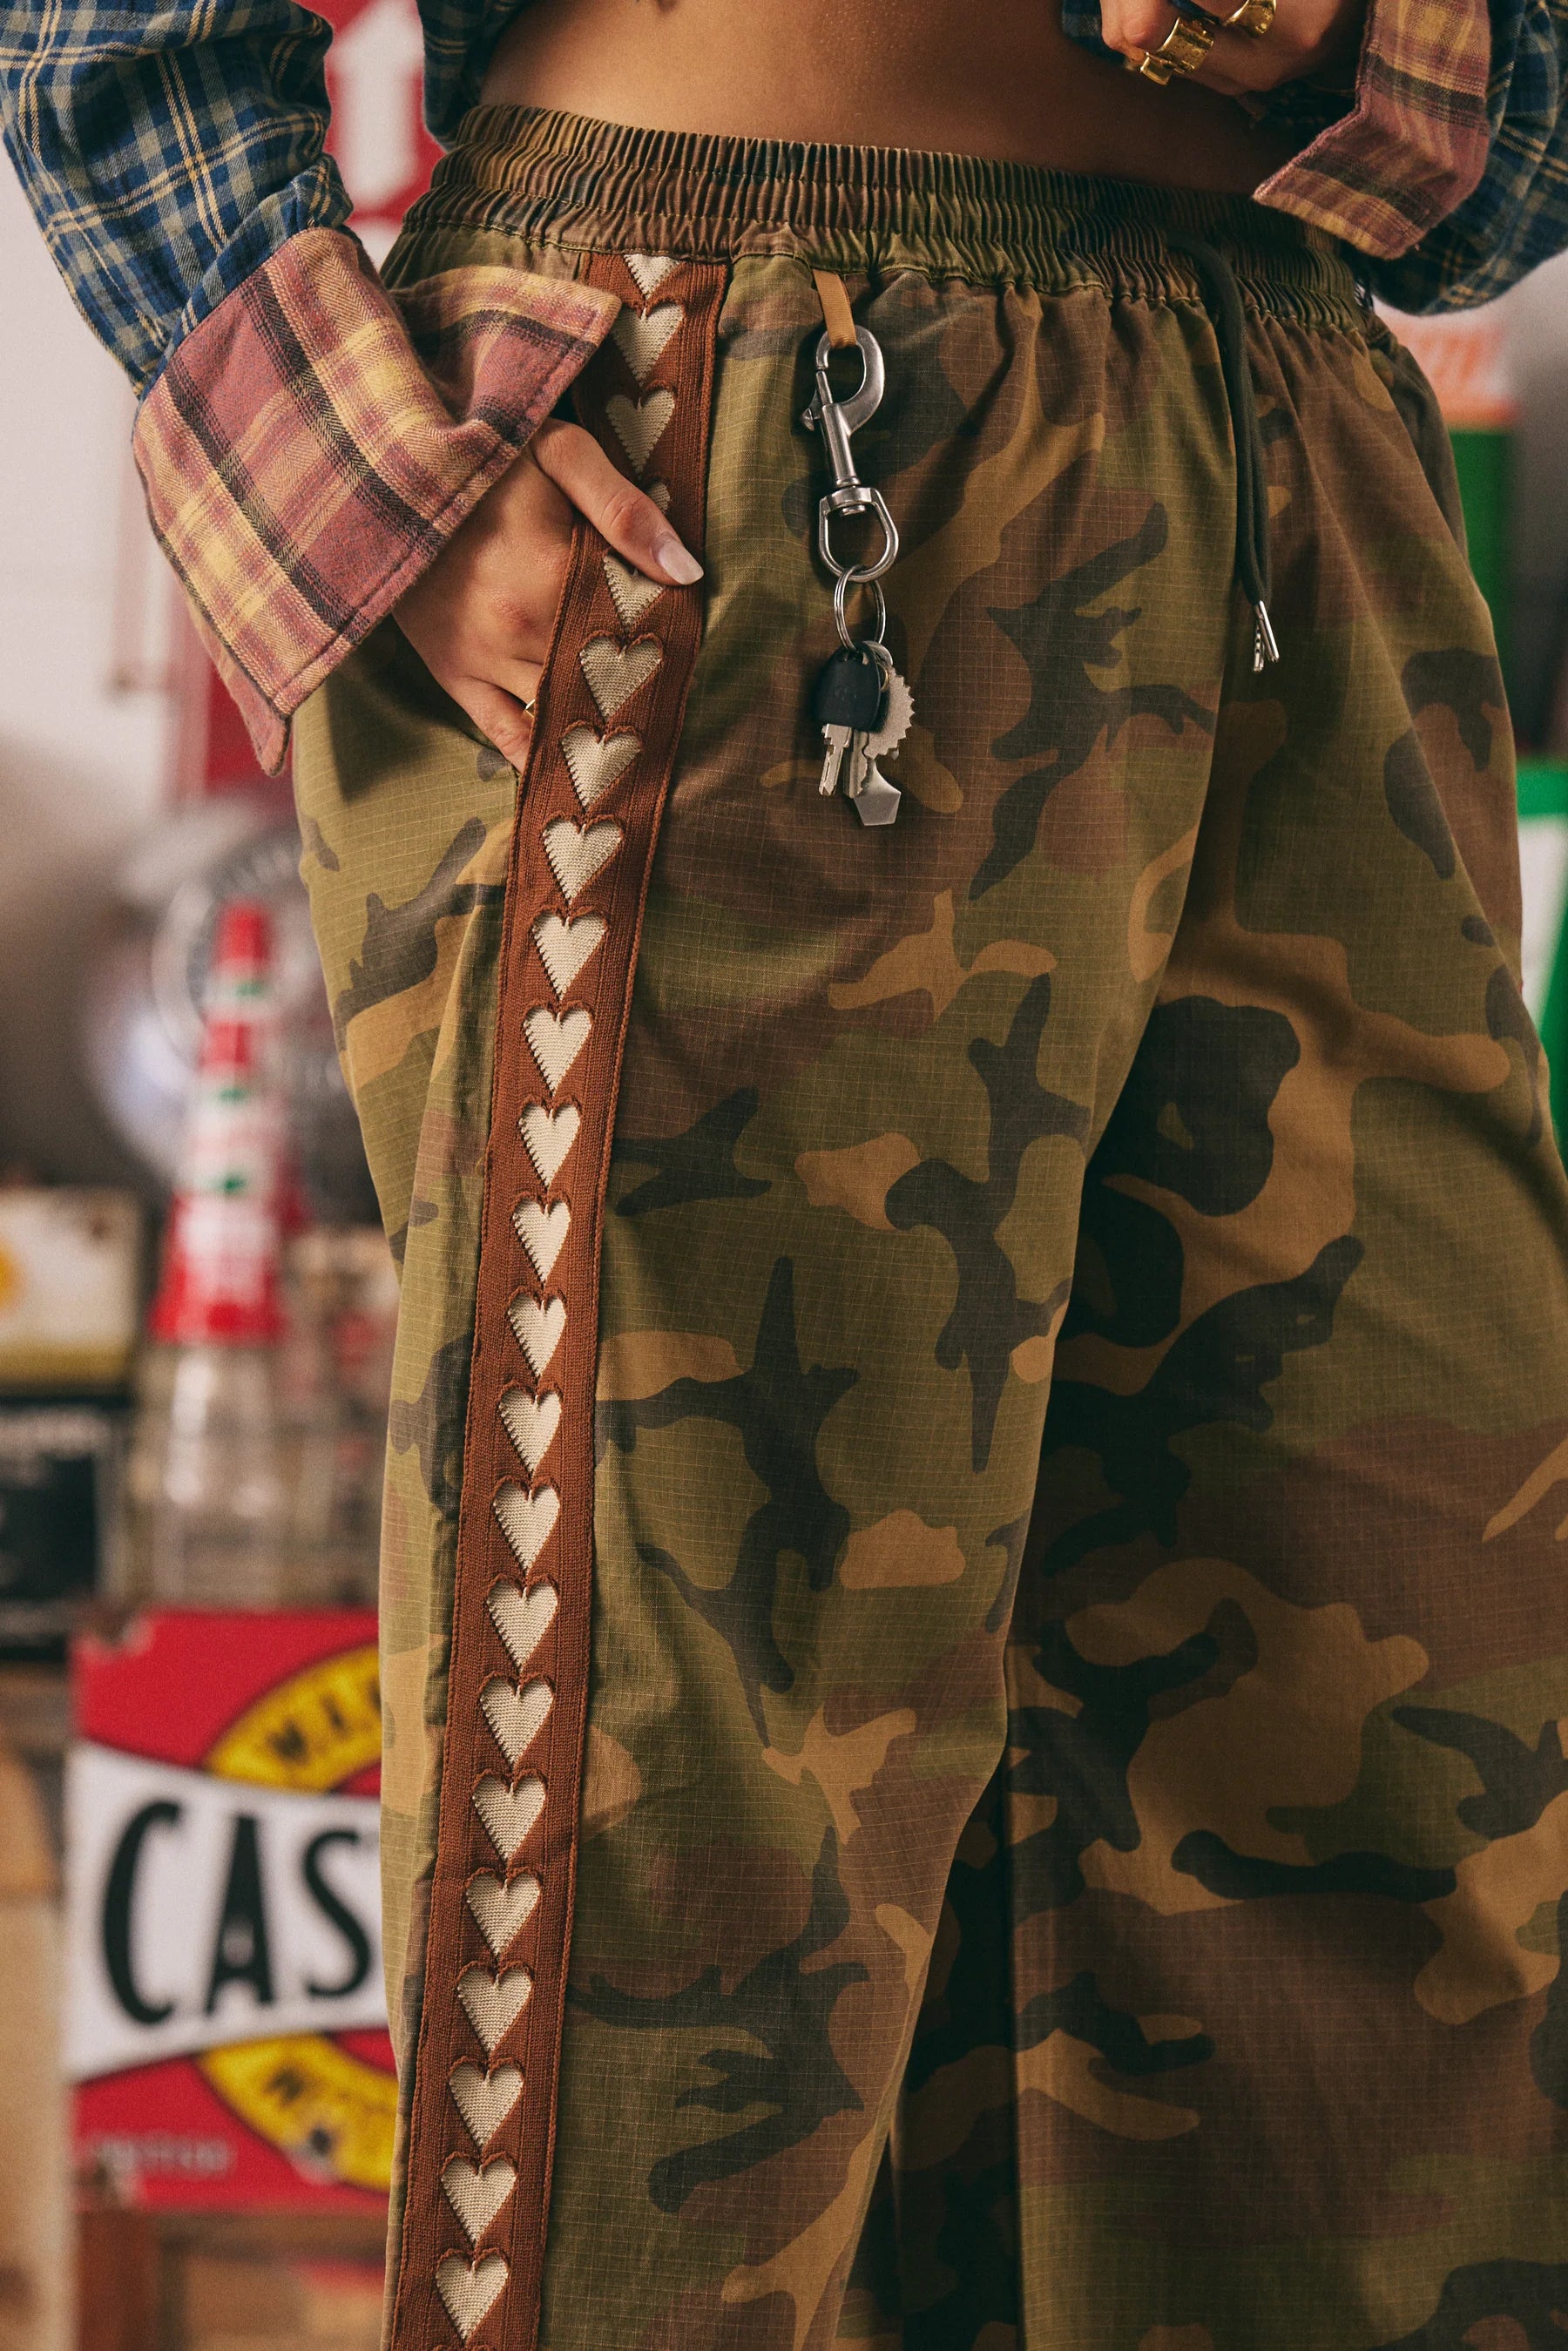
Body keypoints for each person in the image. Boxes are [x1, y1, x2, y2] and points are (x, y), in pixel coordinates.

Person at [6, 3, 1568, 2344]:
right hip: (733, 406)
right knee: (682, 1913)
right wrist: (363, 489)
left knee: (1403, 1845)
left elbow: (1509, 167)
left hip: (1297, 454)